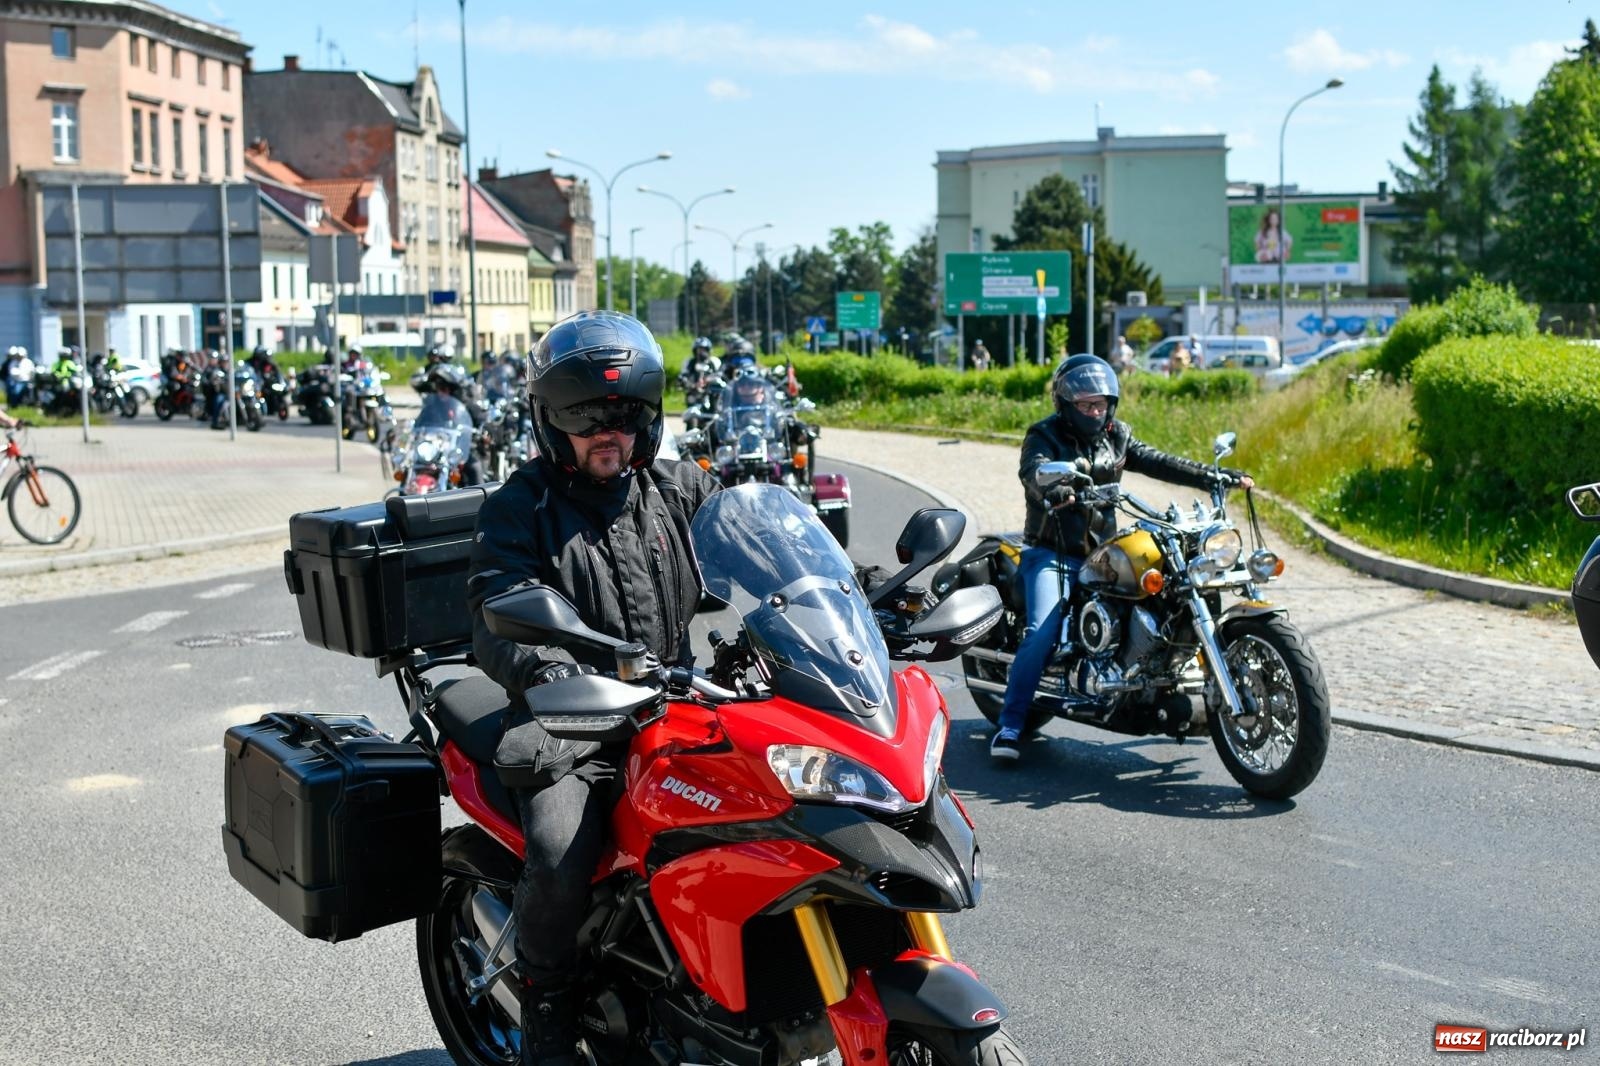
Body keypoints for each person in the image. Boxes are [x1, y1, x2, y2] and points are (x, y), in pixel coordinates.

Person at [466, 310, 719, 1065]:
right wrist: (553, 674)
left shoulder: (680, 489)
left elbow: (759, 546)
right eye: (585, 414)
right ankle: (547, 1009)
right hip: (573, 722)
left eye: (626, 411)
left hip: (679, 701)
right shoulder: (520, 509)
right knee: (559, 846)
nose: (609, 429)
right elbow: (493, 615)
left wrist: (844, 593)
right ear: (551, 422)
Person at [990, 354, 1251, 763]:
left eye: (1100, 404)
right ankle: (1010, 723)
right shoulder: (1043, 434)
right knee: (1041, 630)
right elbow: (1033, 470)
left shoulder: (1118, 435)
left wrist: (1212, 475)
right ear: (1066, 405)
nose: (1094, 412)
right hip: (1054, 550)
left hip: (1103, 553)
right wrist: (1053, 489)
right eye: (1085, 405)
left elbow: (1160, 461)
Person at [415, 362, 487, 486]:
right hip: (436, 450)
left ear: (454, 389)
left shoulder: (466, 405)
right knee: (413, 465)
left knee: (475, 467)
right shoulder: (431, 406)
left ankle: (483, 501)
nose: (440, 391)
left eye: (444, 387)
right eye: (438, 387)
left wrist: (484, 430)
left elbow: (481, 419)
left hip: (459, 451)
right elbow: (420, 423)